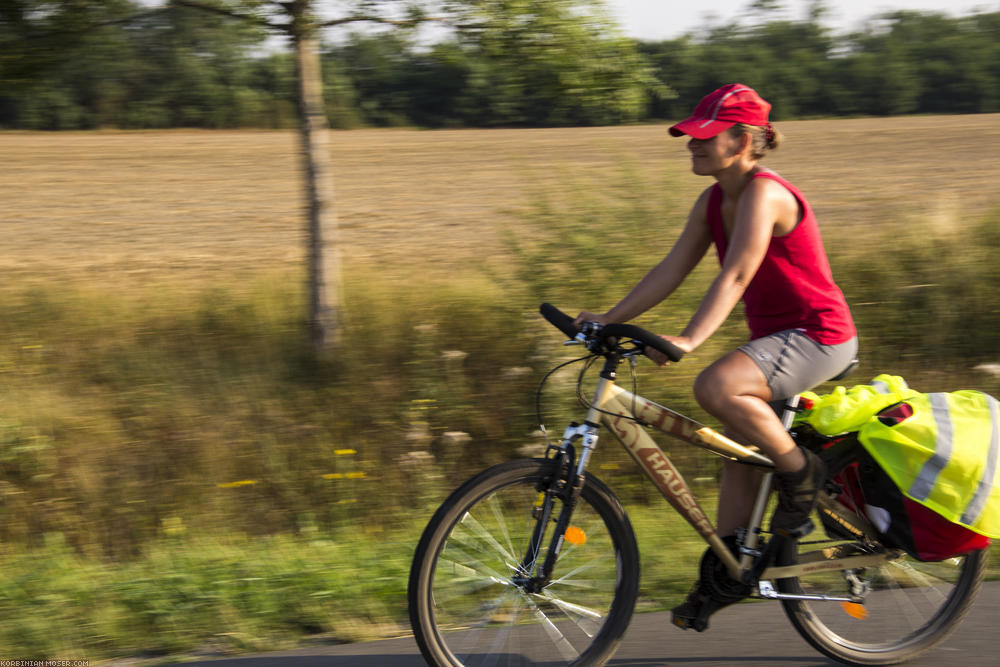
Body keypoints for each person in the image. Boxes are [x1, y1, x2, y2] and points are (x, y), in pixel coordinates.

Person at [573, 83, 858, 630]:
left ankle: (802, 474)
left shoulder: (765, 193)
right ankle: (729, 572)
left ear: (745, 140)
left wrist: (688, 339)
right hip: (777, 342)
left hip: (819, 335)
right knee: (742, 455)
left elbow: (738, 272)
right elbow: (671, 269)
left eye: (706, 136)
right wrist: (608, 319)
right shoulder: (712, 200)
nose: (692, 144)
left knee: (717, 388)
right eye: (690, 135)